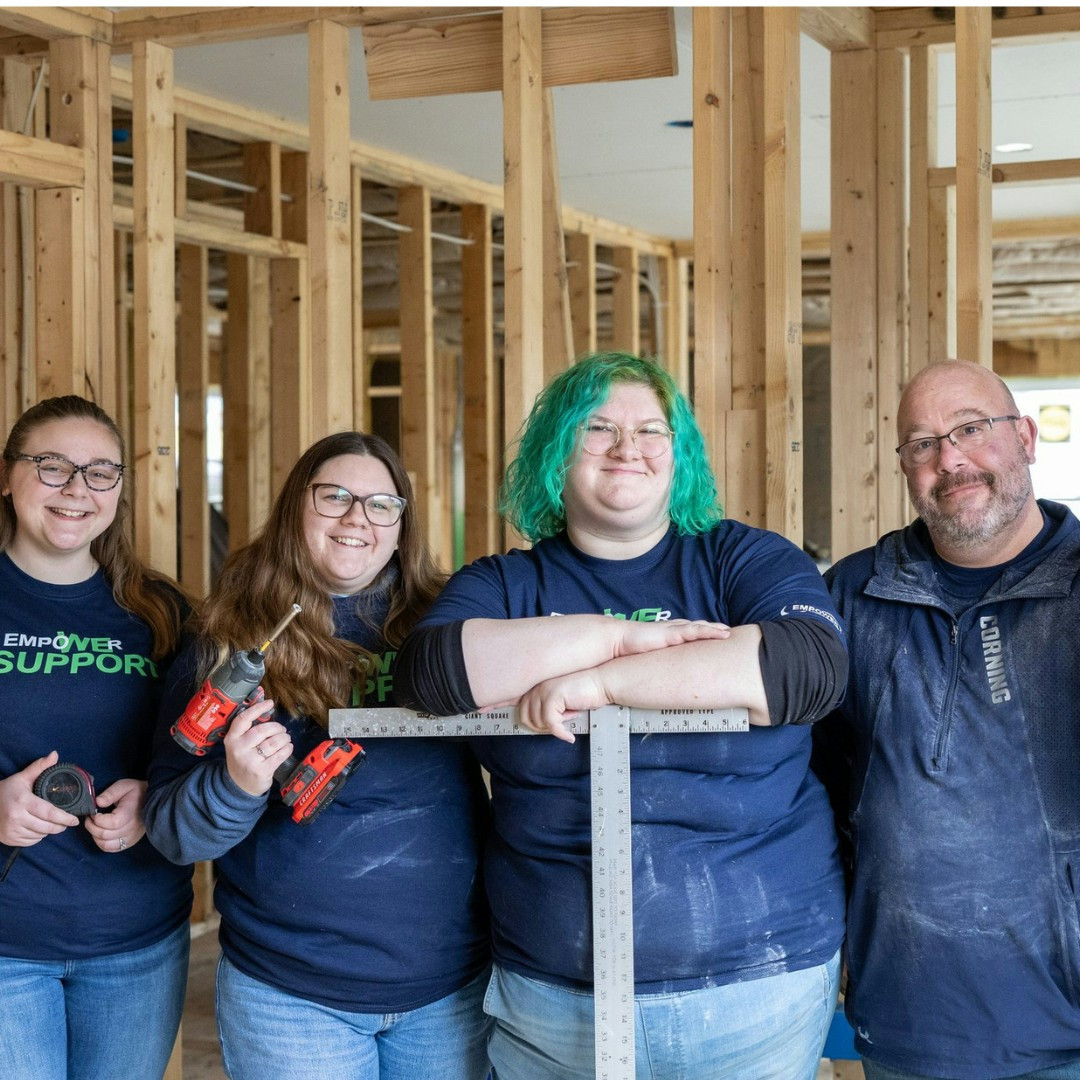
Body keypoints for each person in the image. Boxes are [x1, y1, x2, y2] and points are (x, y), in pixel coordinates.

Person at [395, 351, 849, 1080]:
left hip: (757, 985)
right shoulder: (506, 582)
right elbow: (432, 673)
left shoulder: (742, 561)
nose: (628, 447)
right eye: (598, 428)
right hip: (552, 996)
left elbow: (807, 671)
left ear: (681, 455)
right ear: (557, 452)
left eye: (651, 430)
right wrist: (618, 637)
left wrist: (600, 685)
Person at [144, 431, 491, 1080]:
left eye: (380, 504)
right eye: (334, 496)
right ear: (294, 508)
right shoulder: (230, 641)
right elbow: (171, 832)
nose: (357, 517)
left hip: (449, 987)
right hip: (292, 998)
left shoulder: (449, 624)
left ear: (401, 525)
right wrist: (236, 783)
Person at [813, 359, 1080, 1080]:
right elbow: (805, 792)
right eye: (921, 443)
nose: (949, 459)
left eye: (970, 429)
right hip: (914, 1020)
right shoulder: (849, 597)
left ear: (1025, 437)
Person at [0, 395, 192, 1079]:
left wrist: (159, 796)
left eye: (101, 472)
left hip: (135, 937)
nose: (77, 489)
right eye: (52, 466)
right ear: (7, 475)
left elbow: (205, 752)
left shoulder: (165, 613)